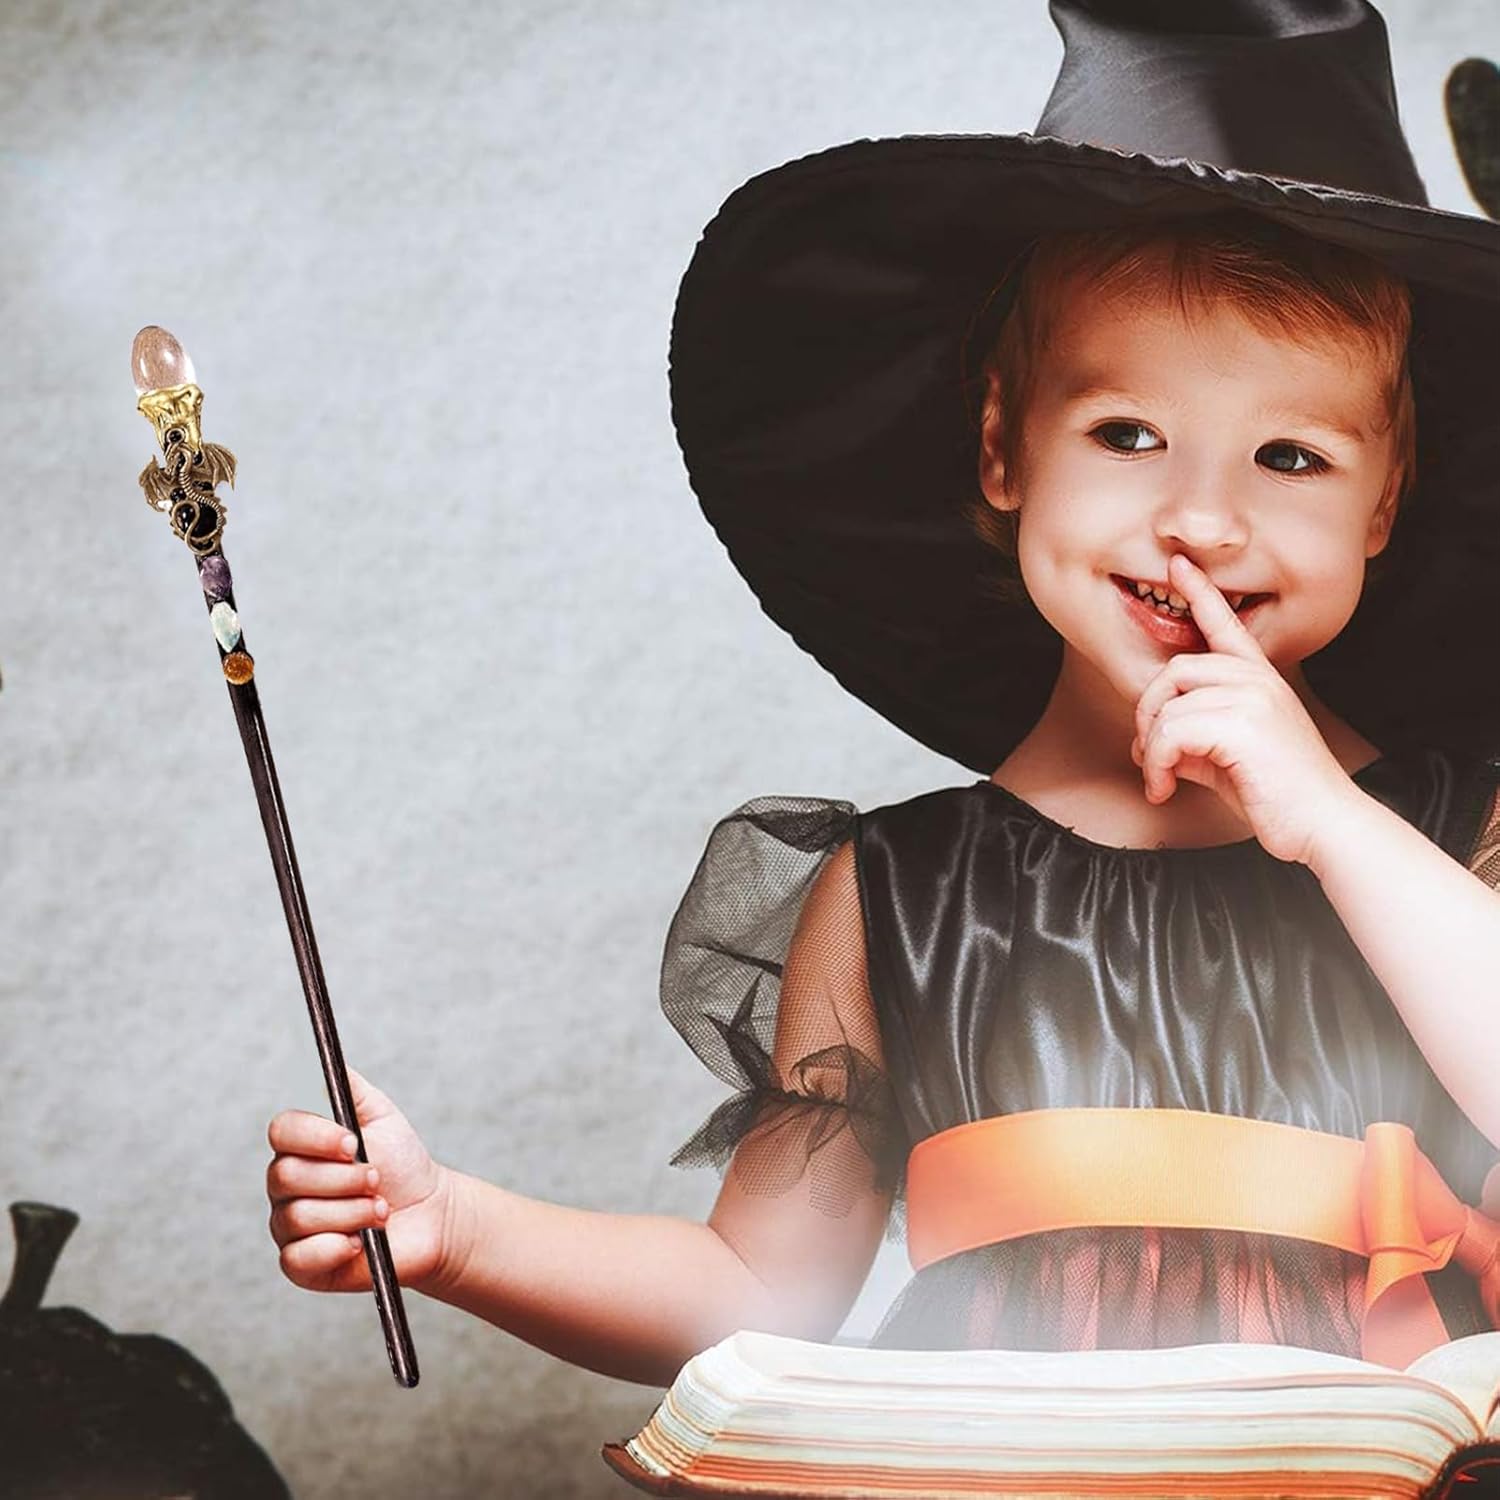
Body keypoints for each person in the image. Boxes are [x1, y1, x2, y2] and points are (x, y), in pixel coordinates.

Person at [265, 0, 1500, 1391]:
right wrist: (456, 1231)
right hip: (1007, 1479)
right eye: (1127, 433)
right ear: (1001, 448)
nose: (1202, 522)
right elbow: (758, 1295)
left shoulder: (1462, 841)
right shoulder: (902, 899)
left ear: (1385, 501)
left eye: (1291, 457)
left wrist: (1328, 819)